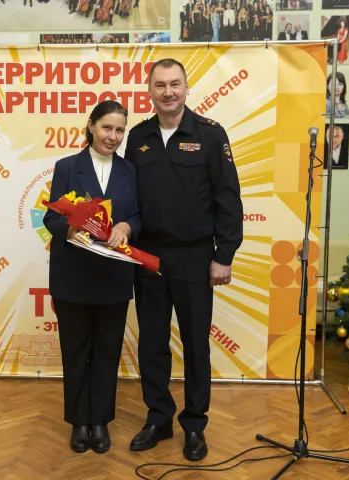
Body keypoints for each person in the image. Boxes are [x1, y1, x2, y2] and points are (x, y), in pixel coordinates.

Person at [124, 58, 243, 461]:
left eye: (175, 84)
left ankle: (194, 424)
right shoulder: (138, 137)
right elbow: (129, 196)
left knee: (195, 344)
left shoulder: (210, 134)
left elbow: (228, 198)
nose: (168, 92)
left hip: (194, 256)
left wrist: (224, 255)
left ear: (187, 88)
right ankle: (158, 418)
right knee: (152, 343)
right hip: (148, 256)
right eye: (160, 85)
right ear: (150, 91)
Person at [43, 100, 140, 454]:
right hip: (74, 276)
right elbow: (51, 218)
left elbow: (139, 215)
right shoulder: (67, 167)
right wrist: (71, 230)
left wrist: (127, 226)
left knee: (107, 352)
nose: (112, 136)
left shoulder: (130, 170)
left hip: (114, 276)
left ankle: (99, 421)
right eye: (106, 128)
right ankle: (78, 422)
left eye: (119, 130)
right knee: (75, 351)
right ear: (91, 126)